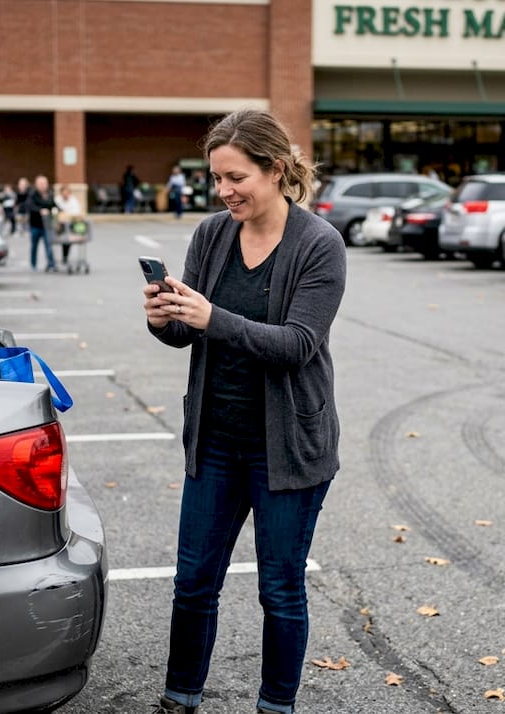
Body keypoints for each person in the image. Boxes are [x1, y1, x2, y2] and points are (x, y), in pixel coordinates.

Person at [141, 109, 346, 714]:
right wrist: (164, 321)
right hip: (216, 440)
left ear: (276, 170)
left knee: (280, 590)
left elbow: (298, 345)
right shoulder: (212, 234)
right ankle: (181, 697)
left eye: (236, 177)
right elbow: (190, 336)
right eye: (216, 179)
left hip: (287, 448)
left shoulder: (318, 244)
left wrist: (213, 319)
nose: (224, 191)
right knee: (193, 583)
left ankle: (275, 706)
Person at [26, 174, 57, 271]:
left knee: (48, 244)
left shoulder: (50, 194)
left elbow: (54, 205)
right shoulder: (33, 194)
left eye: (45, 183)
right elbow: (30, 206)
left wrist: (57, 210)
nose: (43, 185)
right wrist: (40, 210)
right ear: (36, 184)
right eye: (41, 183)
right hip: (35, 224)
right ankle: (33, 264)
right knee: (34, 245)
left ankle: (51, 264)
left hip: (46, 225)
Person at [53, 184, 84, 269]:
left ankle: (65, 257)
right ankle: (59, 259)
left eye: (67, 192)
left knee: (69, 239)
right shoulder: (57, 200)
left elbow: (77, 212)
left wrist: (68, 215)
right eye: (64, 192)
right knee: (63, 238)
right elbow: (55, 212)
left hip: (71, 226)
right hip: (60, 226)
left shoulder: (73, 200)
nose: (65, 194)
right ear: (61, 193)